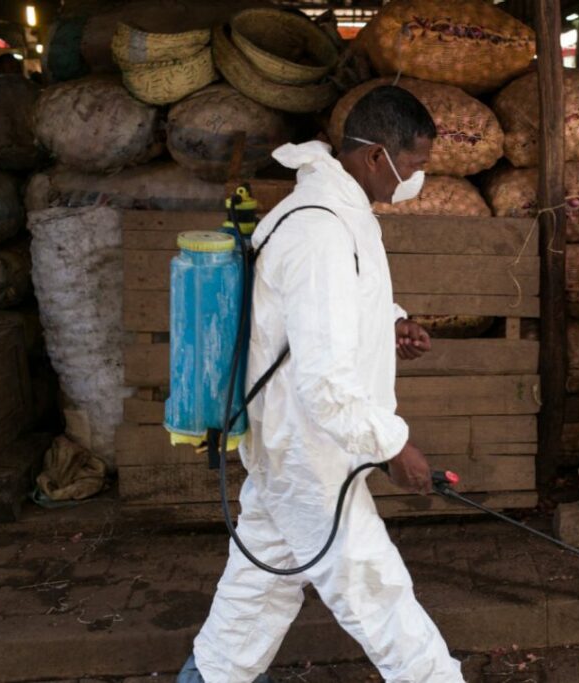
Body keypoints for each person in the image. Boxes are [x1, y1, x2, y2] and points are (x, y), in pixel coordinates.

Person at [179, 86, 464, 683]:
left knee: (256, 595)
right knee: (376, 592)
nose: (415, 178)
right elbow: (325, 382)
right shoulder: (319, 230)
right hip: (307, 450)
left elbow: (327, 313)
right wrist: (392, 448)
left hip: (299, 447)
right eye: (412, 165)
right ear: (373, 156)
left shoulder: (341, 212)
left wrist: (390, 325)